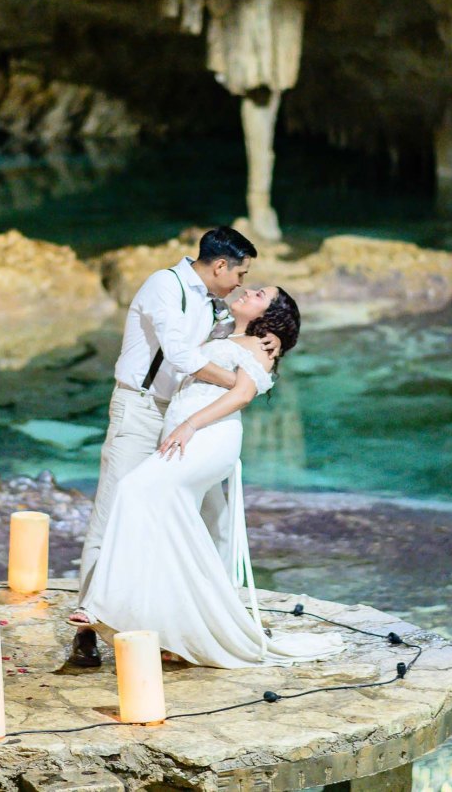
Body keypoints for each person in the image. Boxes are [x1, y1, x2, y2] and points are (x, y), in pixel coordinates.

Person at [70, 286, 344, 669]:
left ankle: (101, 607)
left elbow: (243, 394)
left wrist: (189, 425)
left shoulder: (264, 342)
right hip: (185, 431)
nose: (248, 290)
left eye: (260, 292)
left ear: (273, 313)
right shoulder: (226, 332)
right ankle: (174, 624)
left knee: (134, 489)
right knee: (171, 520)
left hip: (207, 435)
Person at [70, 226, 279, 668]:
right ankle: (88, 629)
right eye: (240, 272)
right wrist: (245, 384)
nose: (242, 282)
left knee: (213, 519)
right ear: (219, 265)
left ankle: (213, 620)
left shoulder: (216, 302)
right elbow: (183, 356)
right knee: (113, 512)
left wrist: (267, 347)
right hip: (142, 409)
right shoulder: (164, 286)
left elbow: (232, 340)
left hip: (188, 417)